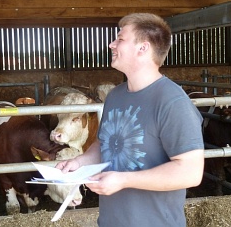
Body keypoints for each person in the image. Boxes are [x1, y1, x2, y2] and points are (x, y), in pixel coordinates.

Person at [56, 13, 205, 227]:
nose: (111, 44)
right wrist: (79, 162)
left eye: (120, 39)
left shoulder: (172, 102)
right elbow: (104, 143)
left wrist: (123, 180)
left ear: (142, 48)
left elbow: (190, 172)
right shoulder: (115, 96)